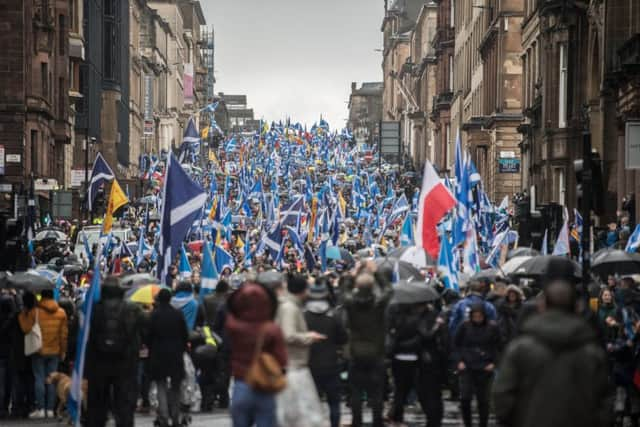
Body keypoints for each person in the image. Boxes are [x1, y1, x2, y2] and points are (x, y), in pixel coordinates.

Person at [492, 280, 608, 427]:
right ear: (577, 306)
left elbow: (503, 393)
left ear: (542, 306)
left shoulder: (521, 348)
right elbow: (604, 397)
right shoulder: (590, 351)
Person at [225, 281, 287, 427]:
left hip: (240, 385)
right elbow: (282, 359)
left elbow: (230, 311)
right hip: (265, 386)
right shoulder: (272, 330)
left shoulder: (233, 327)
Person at [86, 277, 144, 427]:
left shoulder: (94, 310)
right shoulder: (131, 310)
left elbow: (86, 337)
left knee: (98, 405)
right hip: (125, 363)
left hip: (99, 364)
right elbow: (141, 334)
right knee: (124, 404)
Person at [343, 271, 392, 427]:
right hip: (376, 353)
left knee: (356, 392)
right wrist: (377, 273)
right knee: (376, 392)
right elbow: (389, 291)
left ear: (358, 287)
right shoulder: (378, 306)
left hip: (356, 353)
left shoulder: (351, 306)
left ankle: (357, 421)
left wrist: (352, 276)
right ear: (372, 288)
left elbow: (343, 293)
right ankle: (377, 421)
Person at [304, 281, 347, 427]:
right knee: (334, 402)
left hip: (310, 364)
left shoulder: (304, 316)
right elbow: (343, 338)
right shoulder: (334, 316)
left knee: (311, 402)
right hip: (331, 363)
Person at [21, 289, 68, 419]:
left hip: (38, 350)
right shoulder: (61, 312)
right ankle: (51, 409)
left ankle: (41, 408)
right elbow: (63, 335)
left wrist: (23, 314)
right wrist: (63, 351)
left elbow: (25, 328)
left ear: (42, 296)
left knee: (39, 379)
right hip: (55, 351)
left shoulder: (34, 312)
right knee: (52, 380)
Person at [454, 303, 500, 427]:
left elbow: (498, 346)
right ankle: (468, 423)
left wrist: (493, 363)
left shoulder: (492, 327)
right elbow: (456, 345)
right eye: (475, 316)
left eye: (480, 316)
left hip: (485, 366)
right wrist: (459, 361)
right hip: (467, 365)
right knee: (465, 398)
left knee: (483, 400)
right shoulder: (464, 326)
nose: (477, 319)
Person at [147, 288, 189, 427]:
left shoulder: (154, 315)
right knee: (176, 386)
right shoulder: (177, 314)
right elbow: (185, 334)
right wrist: (182, 348)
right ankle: (176, 416)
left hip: (158, 354)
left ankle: (164, 416)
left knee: (161, 385)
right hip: (175, 354)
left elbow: (148, 336)